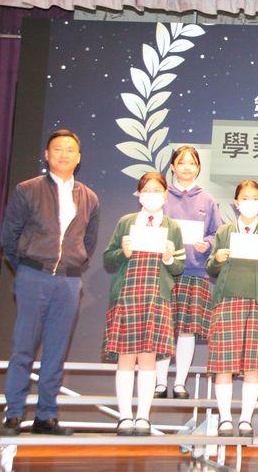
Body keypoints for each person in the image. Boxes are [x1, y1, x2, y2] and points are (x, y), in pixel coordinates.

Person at [0, 129, 100, 436]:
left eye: (70, 150)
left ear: (78, 158)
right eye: (58, 149)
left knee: (56, 352)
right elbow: (9, 237)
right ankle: (13, 414)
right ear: (47, 154)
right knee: (23, 348)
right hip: (33, 277)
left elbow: (88, 242)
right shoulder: (28, 189)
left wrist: (71, 265)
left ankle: (46, 416)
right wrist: (28, 268)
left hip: (68, 282)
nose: (64, 154)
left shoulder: (89, 197)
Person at [102, 171, 185, 435]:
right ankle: (125, 416)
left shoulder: (172, 227)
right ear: (139, 195)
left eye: (156, 191)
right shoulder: (126, 222)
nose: (151, 196)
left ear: (165, 194)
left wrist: (169, 258)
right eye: (146, 191)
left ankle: (143, 416)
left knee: (149, 359)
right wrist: (123, 252)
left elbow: (178, 267)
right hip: (128, 294)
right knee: (126, 358)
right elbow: (108, 258)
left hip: (155, 296)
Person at [206, 180, 258, 437]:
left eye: (255, 198)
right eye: (245, 198)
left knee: (253, 366)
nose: (250, 203)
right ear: (236, 203)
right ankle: (225, 419)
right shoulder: (224, 231)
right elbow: (211, 268)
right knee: (224, 365)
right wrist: (217, 259)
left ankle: (246, 420)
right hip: (227, 301)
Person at [155, 146, 222, 400]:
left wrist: (208, 244)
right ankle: (160, 382)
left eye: (192, 163)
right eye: (181, 162)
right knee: (163, 326)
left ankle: (180, 382)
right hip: (164, 270)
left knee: (187, 329)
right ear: (172, 167)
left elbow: (216, 233)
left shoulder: (207, 199)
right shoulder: (162, 196)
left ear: (198, 168)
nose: (186, 167)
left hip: (195, 270)